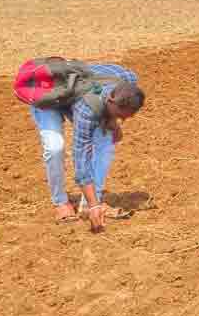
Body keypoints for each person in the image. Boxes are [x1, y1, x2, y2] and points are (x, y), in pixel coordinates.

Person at [28, 63, 145, 231]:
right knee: (55, 147)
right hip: (47, 97)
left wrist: (113, 121)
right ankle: (61, 202)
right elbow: (81, 156)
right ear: (111, 101)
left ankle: (89, 202)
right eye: (120, 116)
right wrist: (94, 205)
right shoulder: (86, 110)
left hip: (76, 95)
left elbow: (113, 101)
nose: (123, 120)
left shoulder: (128, 80)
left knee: (106, 140)